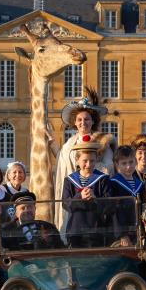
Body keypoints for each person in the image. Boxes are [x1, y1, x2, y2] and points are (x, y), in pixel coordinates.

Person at [54, 93, 115, 224]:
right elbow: (62, 168)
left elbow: (109, 166)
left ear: (93, 121)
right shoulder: (68, 145)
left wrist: (90, 174)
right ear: (75, 122)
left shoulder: (102, 141)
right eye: (79, 119)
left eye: (87, 119)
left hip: (96, 190)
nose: (83, 123)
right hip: (73, 191)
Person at [61, 142, 112, 247]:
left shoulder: (103, 179)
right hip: (75, 230)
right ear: (77, 160)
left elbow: (109, 205)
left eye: (92, 161)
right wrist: (80, 197)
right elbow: (65, 203)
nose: (88, 165)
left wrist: (96, 198)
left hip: (96, 230)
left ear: (97, 159)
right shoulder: (69, 180)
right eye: (85, 161)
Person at [0, 191, 64, 251]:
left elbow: (60, 249)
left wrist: (47, 241)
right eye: (23, 208)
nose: (27, 210)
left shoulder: (48, 227)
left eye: (30, 207)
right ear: (16, 212)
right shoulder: (7, 230)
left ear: (35, 209)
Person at [109, 145, 145, 247]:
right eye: (124, 163)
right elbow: (113, 212)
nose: (128, 167)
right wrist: (122, 234)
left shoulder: (140, 184)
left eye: (131, 162)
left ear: (135, 161)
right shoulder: (113, 183)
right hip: (121, 234)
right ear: (116, 164)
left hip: (137, 231)